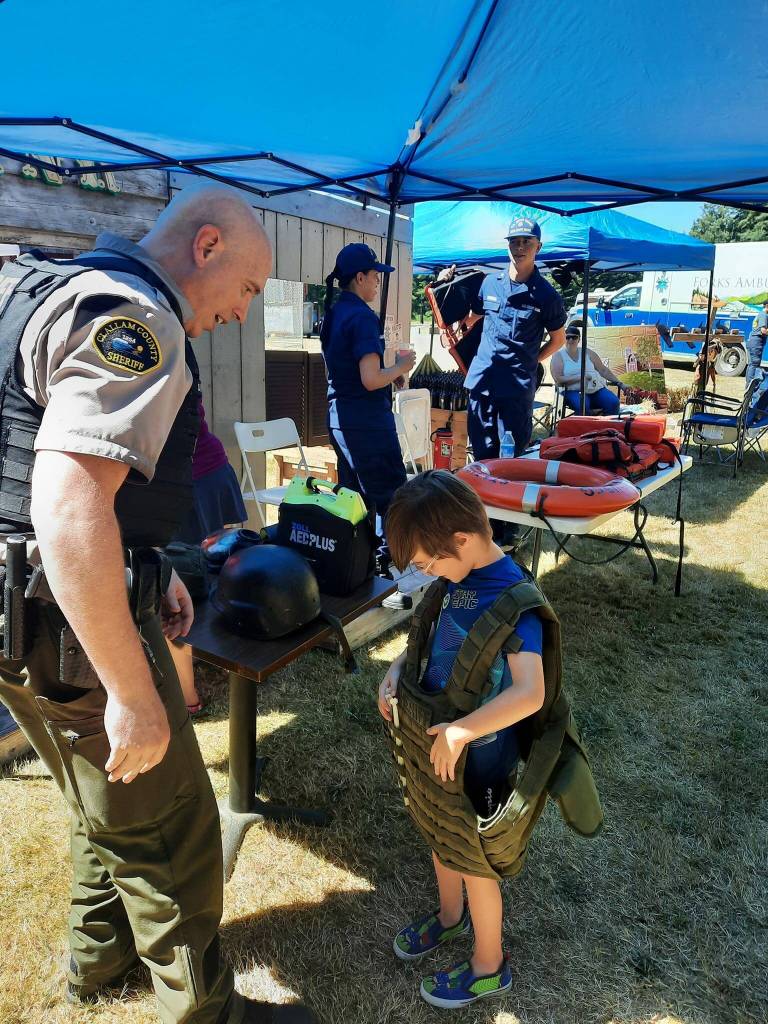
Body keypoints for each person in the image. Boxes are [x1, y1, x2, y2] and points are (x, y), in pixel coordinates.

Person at [0, 184, 316, 1024]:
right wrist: (135, 693)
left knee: (105, 790)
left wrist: (149, 566)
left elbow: (42, 464)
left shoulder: (49, 287)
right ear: (206, 246)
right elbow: (67, 506)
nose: (243, 312)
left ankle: (96, 965)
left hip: (20, 614)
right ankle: (204, 1013)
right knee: (173, 824)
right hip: (60, 623)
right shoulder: (138, 322)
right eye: (249, 289)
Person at [378, 471, 545, 1009]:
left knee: (474, 859)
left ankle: (489, 965)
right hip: (439, 744)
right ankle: (450, 919)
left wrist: (463, 730)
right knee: (438, 828)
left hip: (482, 756)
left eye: (428, 563)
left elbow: (530, 692)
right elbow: (434, 638)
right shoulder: (459, 575)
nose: (426, 574)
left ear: (462, 541)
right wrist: (399, 668)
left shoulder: (515, 597)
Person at [320, 242, 415, 581]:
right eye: (375, 276)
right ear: (359, 277)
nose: (378, 283)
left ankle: (355, 565)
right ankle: (392, 565)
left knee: (353, 497)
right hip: (365, 422)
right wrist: (402, 365)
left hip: (341, 417)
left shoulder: (335, 312)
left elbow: (353, 372)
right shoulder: (362, 317)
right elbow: (371, 379)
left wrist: (392, 373)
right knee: (390, 493)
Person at [461, 217, 567, 459]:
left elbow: (558, 340)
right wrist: (446, 287)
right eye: (514, 242)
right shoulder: (489, 283)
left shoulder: (547, 296)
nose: (519, 248)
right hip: (482, 382)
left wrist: (532, 361)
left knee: (510, 457)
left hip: (516, 388)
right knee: (481, 455)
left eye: (526, 243)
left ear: (538, 247)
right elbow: (472, 317)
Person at [168, 396, 248, 714]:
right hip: (208, 471)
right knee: (203, 572)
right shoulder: (178, 354)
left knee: (172, 587)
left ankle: (187, 697)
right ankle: (222, 655)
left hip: (187, 480)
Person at [550, 324, 625, 414]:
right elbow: (558, 379)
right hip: (571, 391)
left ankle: (609, 426)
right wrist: (581, 377)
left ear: (579, 339)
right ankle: (585, 427)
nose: (570, 340)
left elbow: (603, 370)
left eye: (574, 337)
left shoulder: (588, 352)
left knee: (613, 402)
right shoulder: (558, 356)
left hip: (595, 390)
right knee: (583, 405)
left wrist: (620, 383)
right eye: (568, 337)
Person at [746, 299, 768, 386]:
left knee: (752, 364)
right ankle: (750, 386)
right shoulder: (764, 315)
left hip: (753, 341)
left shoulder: (760, 314)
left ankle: (748, 385)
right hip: (757, 342)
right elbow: (763, 331)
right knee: (755, 364)